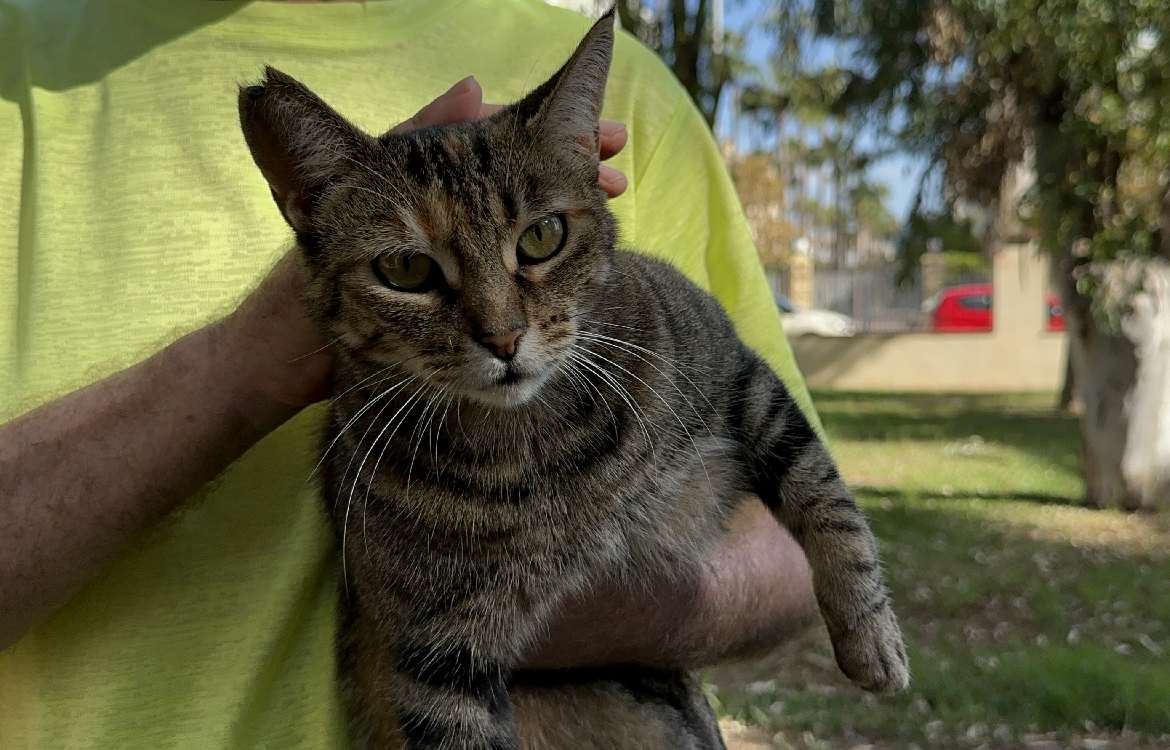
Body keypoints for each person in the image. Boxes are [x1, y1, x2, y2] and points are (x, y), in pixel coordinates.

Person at [0, 1, 820, 747]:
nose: (500, 331)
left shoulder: (630, 92)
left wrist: (490, 605)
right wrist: (250, 362)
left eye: (540, 247)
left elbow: (796, 557)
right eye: (406, 269)